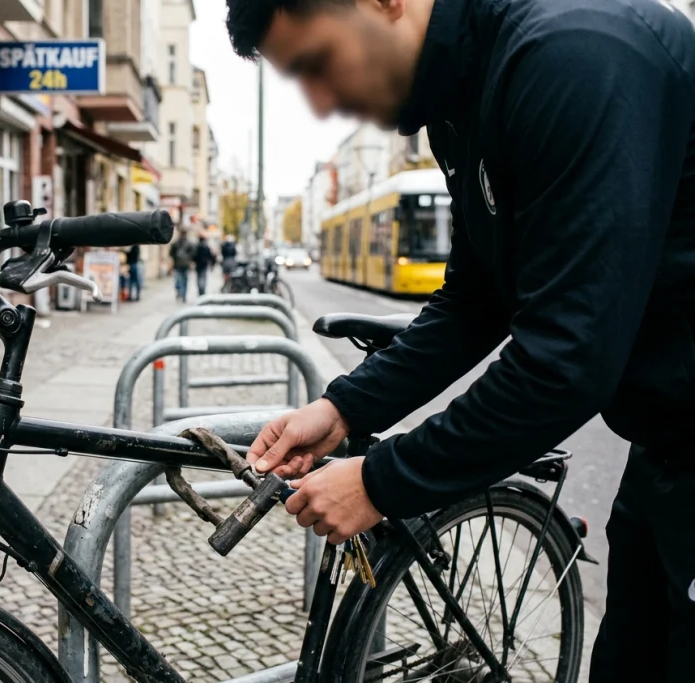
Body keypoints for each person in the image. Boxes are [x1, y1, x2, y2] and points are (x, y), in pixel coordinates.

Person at [226, 0, 695, 680]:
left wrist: (380, 481)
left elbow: (564, 361)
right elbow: (475, 303)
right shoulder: (462, 103)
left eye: (319, 64)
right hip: (667, 450)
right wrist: (344, 408)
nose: (325, 103)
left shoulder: (572, 56)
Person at [169, 233, 195, 302]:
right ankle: (183, 295)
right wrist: (189, 259)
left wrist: (175, 258)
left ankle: (180, 292)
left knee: (179, 280)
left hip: (177, 265)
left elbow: (171, 253)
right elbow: (193, 254)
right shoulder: (189, 243)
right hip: (185, 265)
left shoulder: (176, 243)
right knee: (185, 281)